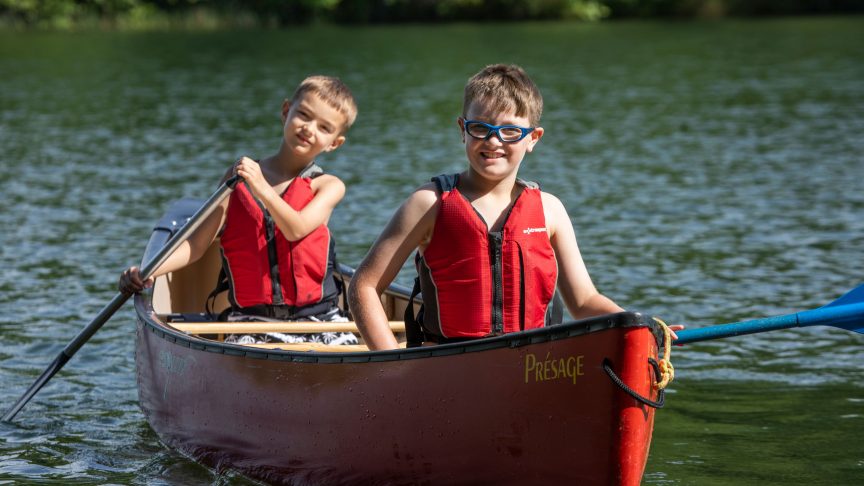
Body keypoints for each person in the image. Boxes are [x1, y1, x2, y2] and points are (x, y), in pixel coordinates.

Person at [350, 64, 656, 351]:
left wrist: (640, 326)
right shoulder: (429, 203)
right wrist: (394, 366)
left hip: (530, 366)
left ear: (533, 138)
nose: (494, 140)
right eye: (480, 128)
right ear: (463, 130)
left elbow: (584, 301)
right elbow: (364, 286)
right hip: (445, 366)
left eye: (510, 131)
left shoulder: (550, 210)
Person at [120, 75, 358, 345]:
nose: (309, 129)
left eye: (324, 127)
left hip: (320, 319)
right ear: (285, 111)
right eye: (303, 114)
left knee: (345, 355)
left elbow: (296, 229)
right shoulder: (238, 178)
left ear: (334, 143)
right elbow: (196, 246)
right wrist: (150, 270)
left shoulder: (328, 186)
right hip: (252, 322)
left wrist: (261, 187)